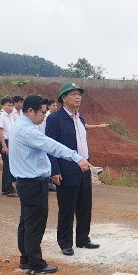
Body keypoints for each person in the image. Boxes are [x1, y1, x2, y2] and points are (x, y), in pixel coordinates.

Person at [9, 95, 90, 275]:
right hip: (33, 183)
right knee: (35, 224)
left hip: (26, 182)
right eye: (42, 113)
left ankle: (26, 258)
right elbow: (52, 145)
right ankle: (35, 264)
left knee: (26, 221)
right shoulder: (28, 131)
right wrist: (77, 157)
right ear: (31, 111)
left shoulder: (20, 126)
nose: (44, 117)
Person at [45, 82, 109, 256]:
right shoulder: (54, 119)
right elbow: (49, 146)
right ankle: (65, 242)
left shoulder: (80, 118)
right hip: (66, 168)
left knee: (84, 204)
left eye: (79, 94)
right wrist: (54, 170)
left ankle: (83, 238)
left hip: (84, 166)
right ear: (63, 98)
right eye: (72, 94)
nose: (77, 97)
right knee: (67, 206)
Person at [0, 97, 18, 197]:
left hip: (11, 142)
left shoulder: (10, 116)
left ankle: (6, 187)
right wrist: (4, 146)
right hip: (5, 142)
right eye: (9, 105)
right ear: (3, 105)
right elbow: (0, 131)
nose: (11, 107)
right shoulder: (0, 115)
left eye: (12, 105)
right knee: (8, 166)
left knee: (9, 165)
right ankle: (8, 189)